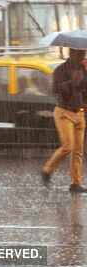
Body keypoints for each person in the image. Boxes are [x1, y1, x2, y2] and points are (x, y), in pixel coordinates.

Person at [41, 48, 87, 193]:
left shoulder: (83, 68)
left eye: (84, 53)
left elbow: (84, 90)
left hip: (79, 113)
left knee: (78, 151)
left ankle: (75, 183)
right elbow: (56, 90)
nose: (83, 56)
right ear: (72, 53)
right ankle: (47, 170)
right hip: (64, 112)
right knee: (68, 146)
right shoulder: (60, 70)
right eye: (80, 53)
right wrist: (71, 83)